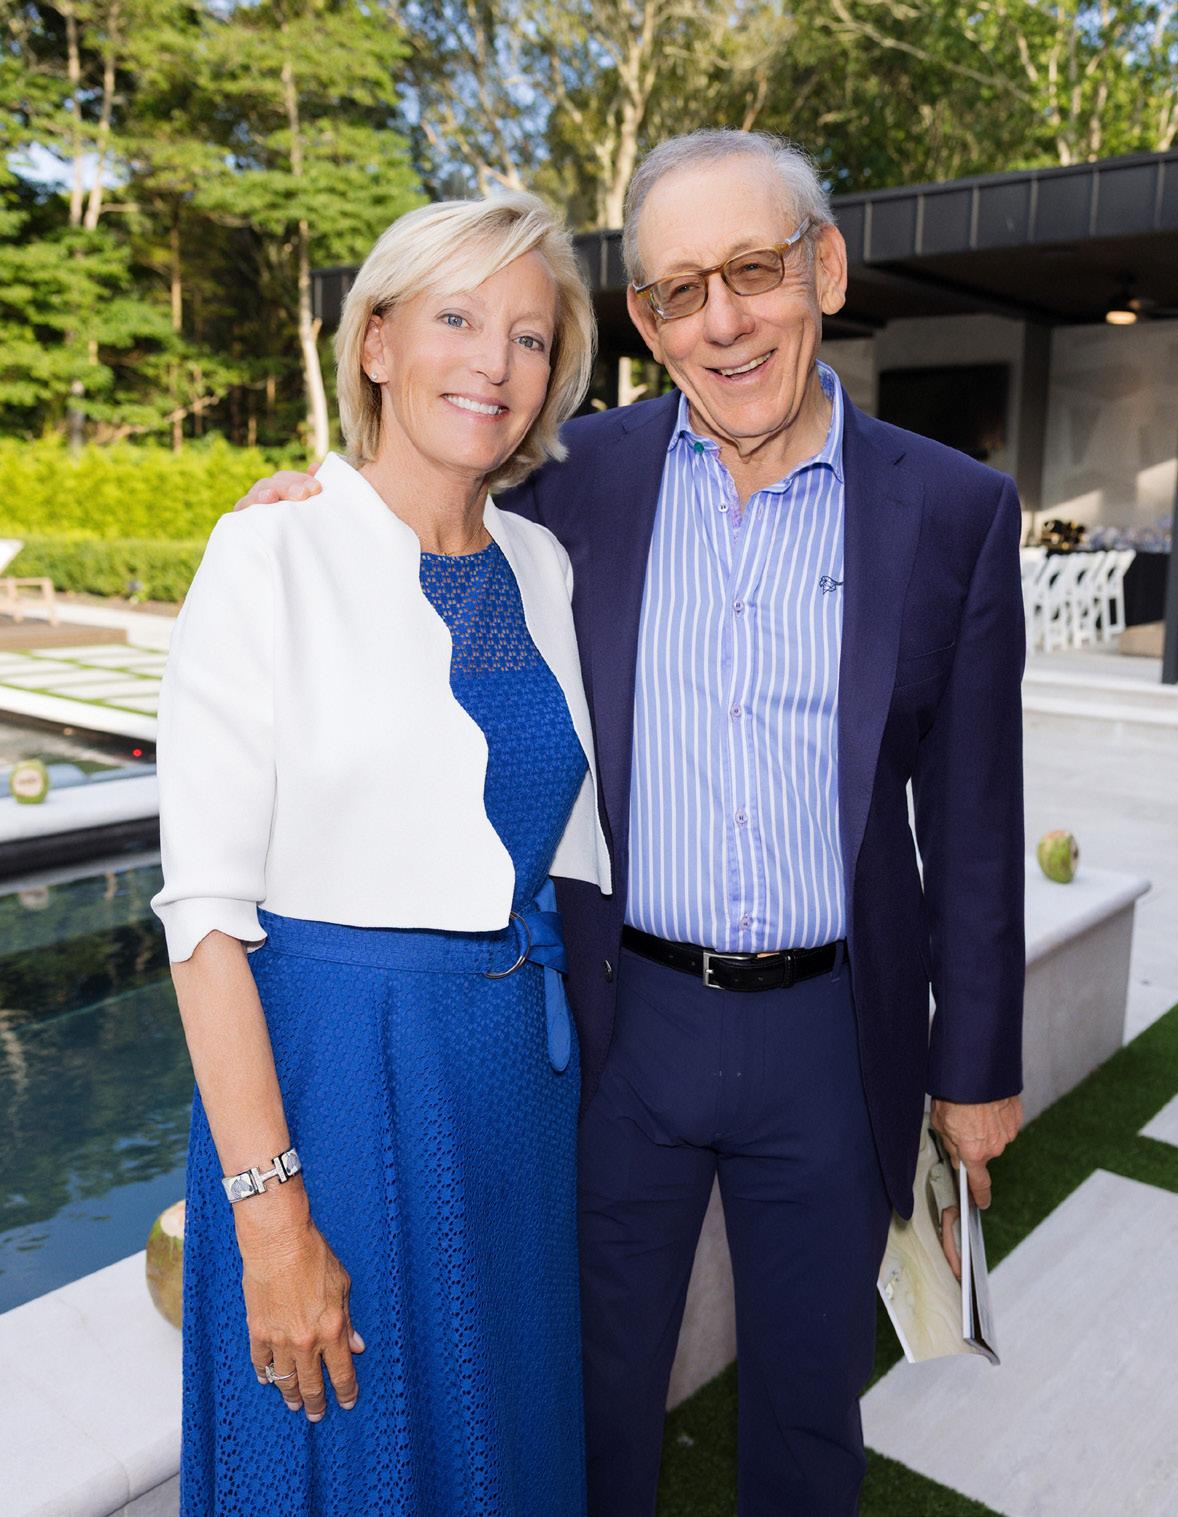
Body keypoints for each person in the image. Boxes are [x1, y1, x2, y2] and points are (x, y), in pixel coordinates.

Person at [237, 128, 1026, 1517]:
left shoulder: (953, 511)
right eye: (678, 291)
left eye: (755, 271)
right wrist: (311, 502)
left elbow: (972, 816)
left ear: (827, 269)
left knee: (810, 1415)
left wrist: (977, 1066)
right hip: (621, 1030)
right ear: (648, 323)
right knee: (589, 1401)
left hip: (832, 1039)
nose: (723, 322)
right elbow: (426, 489)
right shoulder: (571, 482)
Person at [152, 191, 609, 1516]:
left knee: (505, 1445)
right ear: (375, 343)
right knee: (351, 1456)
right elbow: (203, 921)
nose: (493, 361)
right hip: (336, 1090)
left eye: (530, 336)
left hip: (513, 1088)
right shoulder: (270, 551)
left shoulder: (544, 564)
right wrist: (270, 1217)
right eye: (456, 318)